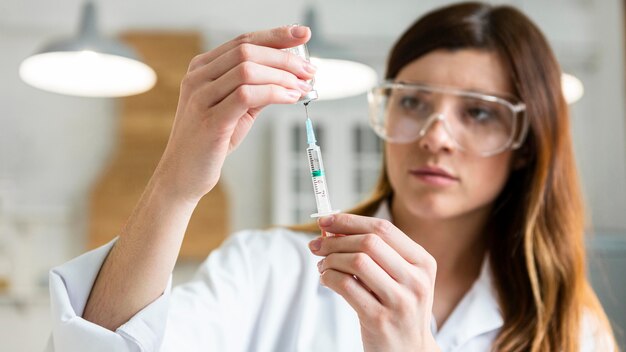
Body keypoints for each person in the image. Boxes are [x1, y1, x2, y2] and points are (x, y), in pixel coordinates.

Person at [46, 2, 618, 351]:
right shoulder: (271, 268)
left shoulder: (571, 330)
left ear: (525, 145)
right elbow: (102, 348)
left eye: (479, 112)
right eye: (414, 102)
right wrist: (176, 183)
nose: (436, 135)